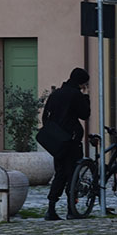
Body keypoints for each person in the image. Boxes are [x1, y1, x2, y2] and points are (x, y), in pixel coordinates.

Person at [42, 68, 90, 220]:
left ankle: (51, 208)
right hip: (71, 139)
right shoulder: (76, 95)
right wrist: (86, 99)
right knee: (73, 174)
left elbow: (45, 117)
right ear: (81, 82)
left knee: (60, 172)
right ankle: (71, 209)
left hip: (56, 141)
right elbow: (85, 114)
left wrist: (54, 133)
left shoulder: (55, 94)